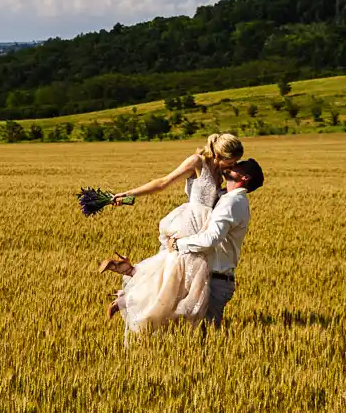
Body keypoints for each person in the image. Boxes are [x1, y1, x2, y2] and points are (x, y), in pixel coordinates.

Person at [96, 132, 244, 333]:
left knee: (186, 280)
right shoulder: (197, 162)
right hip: (190, 223)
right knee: (174, 273)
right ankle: (133, 301)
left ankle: (127, 293)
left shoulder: (223, 173)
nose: (234, 166)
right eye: (231, 161)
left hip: (204, 227)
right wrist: (129, 194)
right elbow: (163, 182)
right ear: (219, 155)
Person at [173, 157, 264, 328]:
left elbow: (211, 239)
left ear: (245, 178)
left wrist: (179, 244)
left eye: (238, 167)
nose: (232, 167)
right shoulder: (226, 198)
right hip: (208, 278)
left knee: (202, 338)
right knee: (191, 336)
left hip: (214, 283)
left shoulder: (232, 202)